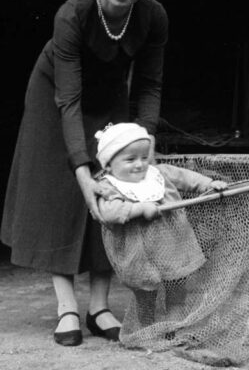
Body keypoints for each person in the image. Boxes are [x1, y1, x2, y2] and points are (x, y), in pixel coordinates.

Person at [0, 0, 168, 346]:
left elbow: (149, 85)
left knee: (118, 186)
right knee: (67, 191)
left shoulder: (153, 16)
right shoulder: (72, 15)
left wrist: (145, 147)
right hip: (56, 95)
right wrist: (80, 166)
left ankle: (99, 307)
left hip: (110, 95)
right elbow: (69, 99)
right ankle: (66, 309)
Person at [93, 123, 228, 327]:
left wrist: (208, 184)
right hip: (138, 251)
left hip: (173, 242)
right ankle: (148, 325)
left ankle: (175, 320)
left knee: (177, 283)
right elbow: (108, 212)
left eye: (144, 157)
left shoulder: (158, 173)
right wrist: (138, 209)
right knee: (145, 292)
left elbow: (185, 177)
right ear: (109, 164)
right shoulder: (108, 186)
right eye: (130, 159)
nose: (139, 164)